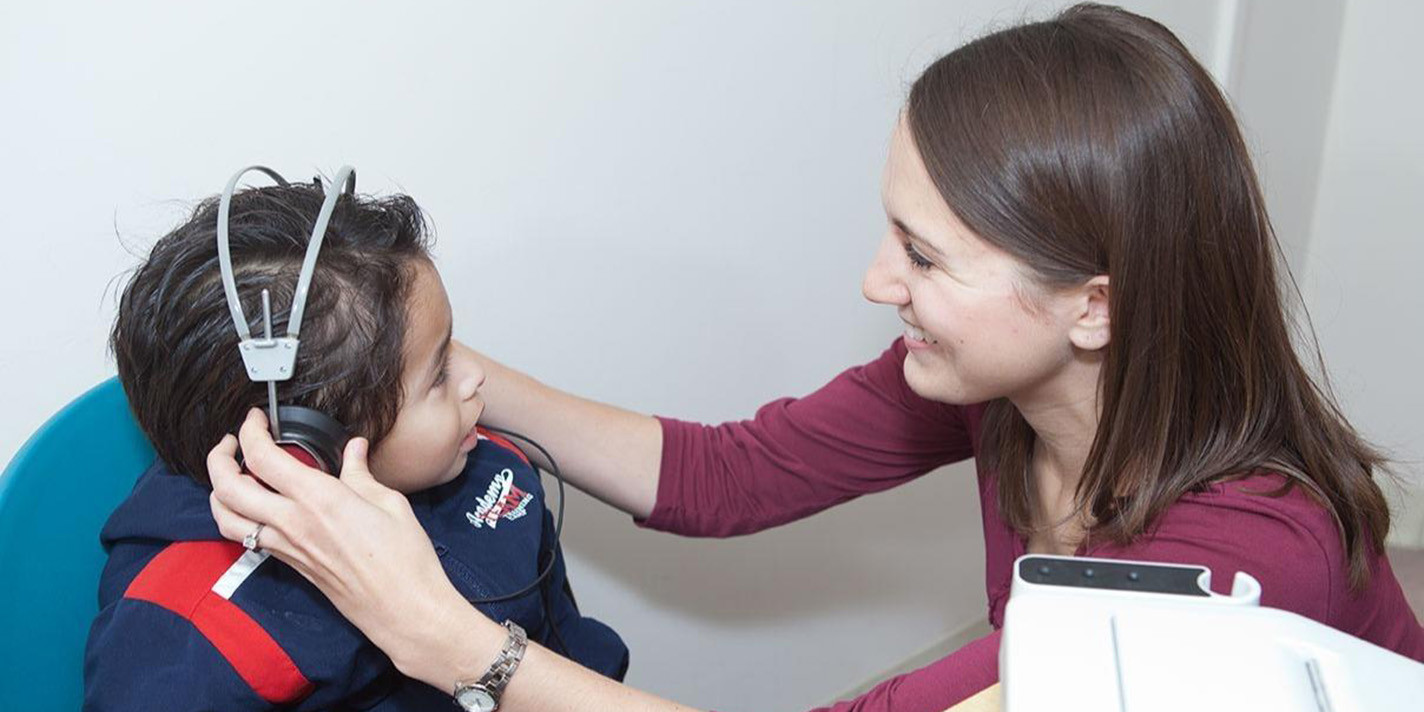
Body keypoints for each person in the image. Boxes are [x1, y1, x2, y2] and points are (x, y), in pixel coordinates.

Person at [205, 4, 1424, 711]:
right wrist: (418, 360)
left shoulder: (1233, 567)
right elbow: (724, 476)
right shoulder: (1002, 389)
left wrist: (458, 646)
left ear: (1090, 305)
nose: (874, 283)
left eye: (923, 256)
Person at [84, 178, 627, 711]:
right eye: (438, 374)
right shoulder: (186, 637)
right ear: (303, 446)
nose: (475, 380)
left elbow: (569, 658)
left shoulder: (489, 470)